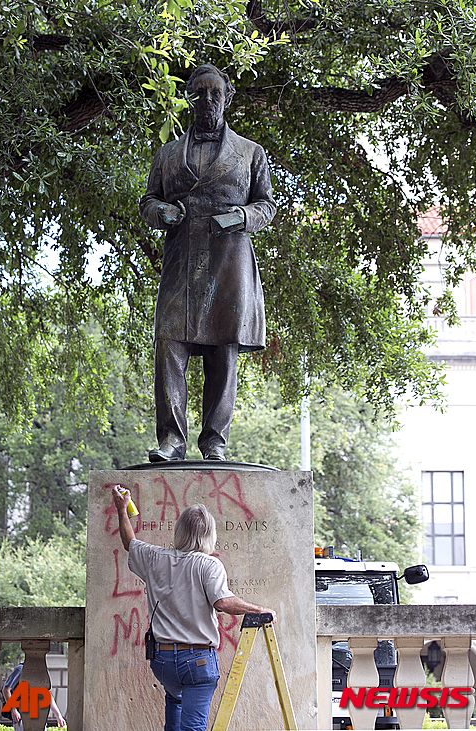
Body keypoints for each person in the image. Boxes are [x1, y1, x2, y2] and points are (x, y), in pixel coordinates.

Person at [139, 63, 276, 463]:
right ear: (189, 99)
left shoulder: (251, 153)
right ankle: (172, 441)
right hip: (182, 260)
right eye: (199, 93)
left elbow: (267, 204)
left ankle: (215, 440)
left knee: (223, 351)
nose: (207, 101)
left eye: (215, 93)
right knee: (169, 343)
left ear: (227, 97)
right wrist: (160, 211)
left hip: (229, 263)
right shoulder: (167, 155)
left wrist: (241, 218)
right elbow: (148, 200)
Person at [112, 485, 277, 731]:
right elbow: (222, 602)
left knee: (175, 699)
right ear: (210, 536)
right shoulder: (209, 565)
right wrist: (260, 609)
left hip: (163, 661)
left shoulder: (156, 558)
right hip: (198, 661)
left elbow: (130, 542)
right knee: (194, 726)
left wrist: (122, 510)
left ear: (179, 531)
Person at [2, 661, 66, 730]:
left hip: (39, 717)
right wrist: (13, 710)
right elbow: (6, 690)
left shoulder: (42, 671)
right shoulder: (20, 670)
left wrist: (58, 715)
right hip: (23, 718)